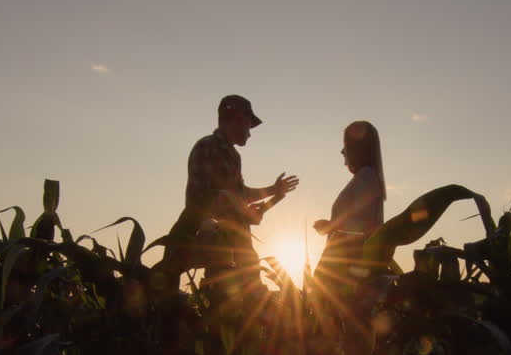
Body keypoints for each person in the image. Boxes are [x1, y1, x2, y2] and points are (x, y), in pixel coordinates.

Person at [160, 95, 299, 293]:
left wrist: (273, 191)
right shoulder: (208, 147)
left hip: (228, 240)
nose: (249, 133)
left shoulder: (232, 155)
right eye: (248, 125)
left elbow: (237, 195)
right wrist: (247, 210)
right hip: (208, 236)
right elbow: (217, 199)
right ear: (237, 119)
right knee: (226, 292)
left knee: (239, 291)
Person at [313, 121, 386, 288]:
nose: (342, 151)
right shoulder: (365, 177)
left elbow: (365, 225)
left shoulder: (366, 176)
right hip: (348, 262)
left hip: (349, 264)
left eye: (346, 145)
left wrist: (331, 226)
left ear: (358, 148)